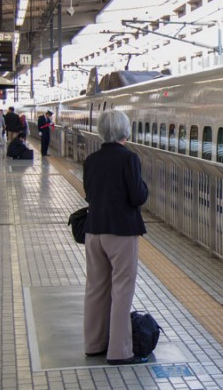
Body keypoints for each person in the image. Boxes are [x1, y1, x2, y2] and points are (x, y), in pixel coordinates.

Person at [83, 110, 149, 365]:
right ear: (125, 131)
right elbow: (137, 196)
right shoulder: (129, 158)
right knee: (122, 289)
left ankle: (94, 344)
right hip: (121, 233)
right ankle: (119, 351)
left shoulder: (91, 160)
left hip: (94, 230)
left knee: (96, 288)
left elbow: (89, 194)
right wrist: (144, 188)